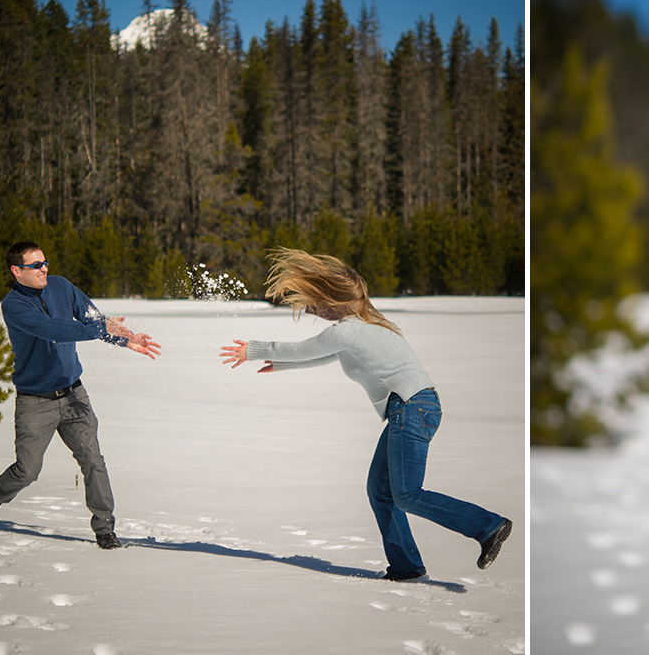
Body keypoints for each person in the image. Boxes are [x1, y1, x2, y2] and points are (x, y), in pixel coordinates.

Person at [219, 248, 512, 582]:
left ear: (334, 301)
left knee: (407, 494)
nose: (314, 310)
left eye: (316, 304)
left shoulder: (349, 330)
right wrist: (282, 365)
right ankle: (406, 567)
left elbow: (306, 349)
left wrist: (255, 349)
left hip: (411, 407)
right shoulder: (367, 324)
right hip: (415, 406)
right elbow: (323, 355)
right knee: (381, 490)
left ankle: (488, 526)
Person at [0, 242, 161, 549]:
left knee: (93, 460)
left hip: (74, 394)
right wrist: (98, 331)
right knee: (27, 471)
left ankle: (104, 529)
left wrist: (124, 340)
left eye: (45, 262)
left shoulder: (60, 286)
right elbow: (55, 329)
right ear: (16, 271)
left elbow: (92, 318)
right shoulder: (14, 306)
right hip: (35, 401)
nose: (45, 269)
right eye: (35, 265)